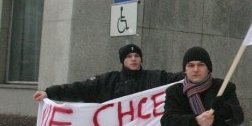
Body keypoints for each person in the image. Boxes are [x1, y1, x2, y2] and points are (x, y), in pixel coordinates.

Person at [33, 44, 183, 103]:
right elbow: (80, 88)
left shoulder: (155, 77)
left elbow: (177, 79)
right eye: (129, 57)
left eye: (136, 56)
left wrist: (199, 74)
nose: (133, 59)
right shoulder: (108, 81)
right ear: (122, 61)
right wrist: (49, 92)